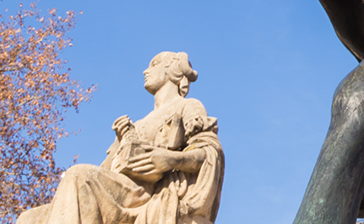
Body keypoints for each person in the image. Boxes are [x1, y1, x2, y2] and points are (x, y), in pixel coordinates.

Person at [18, 52, 224, 224]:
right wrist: (120, 142)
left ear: (172, 70)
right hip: (122, 190)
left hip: (146, 193)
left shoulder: (188, 106)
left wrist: (170, 159)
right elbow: (104, 171)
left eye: (154, 64)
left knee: (79, 176)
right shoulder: (139, 122)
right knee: (29, 218)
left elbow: (209, 152)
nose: (146, 71)